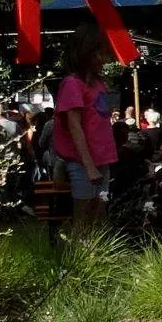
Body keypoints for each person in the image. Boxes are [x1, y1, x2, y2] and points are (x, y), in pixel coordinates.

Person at [53, 32, 119, 228]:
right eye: (98, 53)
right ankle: (80, 257)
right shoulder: (72, 84)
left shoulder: (99, 84)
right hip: (83, 163)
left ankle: (98, 256)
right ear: (85, 54)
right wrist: (89, 166)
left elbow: (106, 116)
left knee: (100, 214)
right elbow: (75, 127)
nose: (103, 59)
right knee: (83, 219)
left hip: (103, 161)